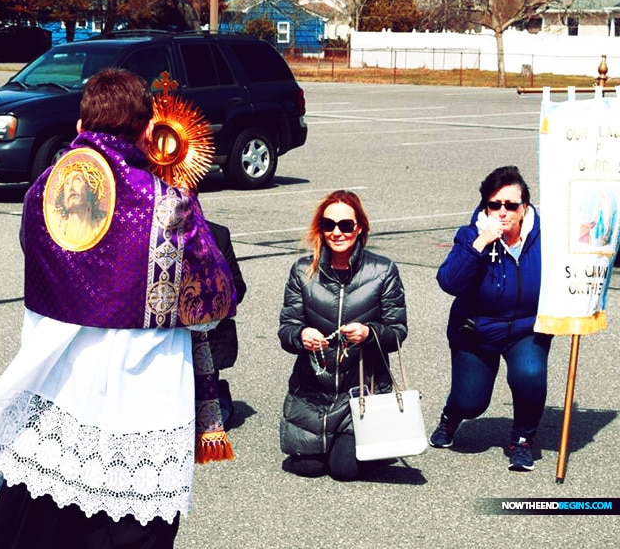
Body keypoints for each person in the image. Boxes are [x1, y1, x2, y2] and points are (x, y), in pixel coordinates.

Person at [0, 68, 236, 548]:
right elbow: (215, 301)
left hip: (60, 384)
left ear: (79, 127)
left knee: (40, 523)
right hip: (144, 393)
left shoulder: (42, 192)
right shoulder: (168, 204)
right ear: (143, 130)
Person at [278, 190, 407, 481]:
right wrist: (301, 335)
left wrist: (368, 332)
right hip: (313, 390)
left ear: (359, 226)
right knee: (308, 468)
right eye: (329, 225)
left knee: (343, 470)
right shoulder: (302, 271)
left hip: (360, 389)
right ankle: (332, 445)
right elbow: (286, 329)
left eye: (346, 225)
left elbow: (398, 331)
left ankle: (359, 443)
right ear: (320, 228)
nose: (337, 232)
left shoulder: (383, 270)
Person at [430, 165, 548, 472]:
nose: (503, 212)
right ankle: (451, 416)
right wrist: (480, 244)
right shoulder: (471, 235)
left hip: (526, 328)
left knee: (530, 374)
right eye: (495, 205)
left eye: (511, 205)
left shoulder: (545, 238)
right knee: (472, 402)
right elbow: (449, 283)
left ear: (525, 207)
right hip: (476, 331)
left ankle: (521, 440)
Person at [206, 220, 247, 426]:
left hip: (206, 334)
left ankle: (219, 394)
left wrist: (204, 299)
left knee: (208, 423)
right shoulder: (149, 233)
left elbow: (238, 287)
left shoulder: (217, 234)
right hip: (164, 337)